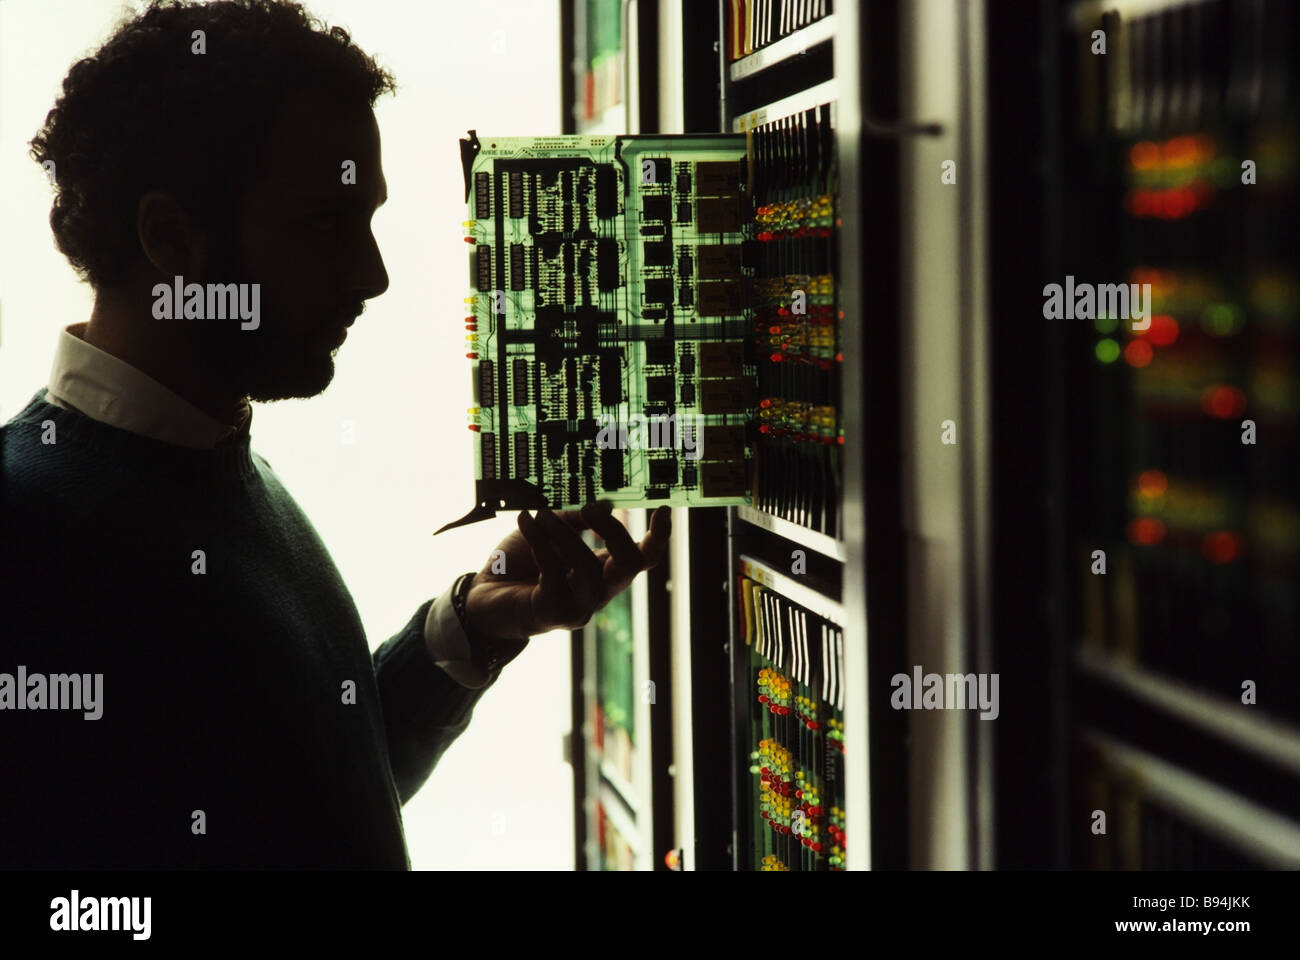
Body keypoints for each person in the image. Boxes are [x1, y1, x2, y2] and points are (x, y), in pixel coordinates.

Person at [0, 0, 669, 868]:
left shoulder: (219, 466)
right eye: (325, 223)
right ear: (170, 237)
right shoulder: (26, 538)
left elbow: (290, 798)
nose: (374, 275)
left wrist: (467, 628)